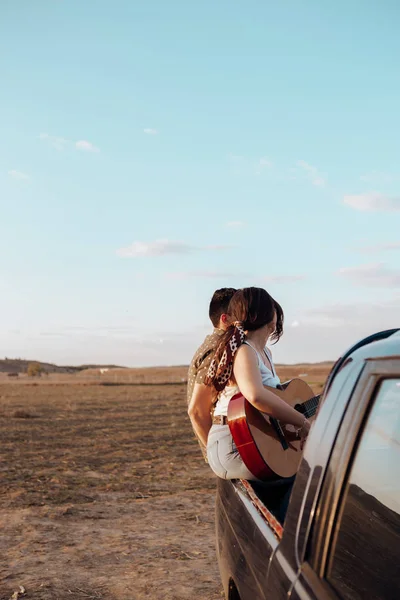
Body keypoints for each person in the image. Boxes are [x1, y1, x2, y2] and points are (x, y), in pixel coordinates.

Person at [205, 287, 311, 522]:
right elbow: (255, 395)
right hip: (233, 443)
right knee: (305, 477)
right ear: (269, 318)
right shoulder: (244, 351)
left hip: (255, 441)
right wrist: (302, 423)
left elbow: (272, 398)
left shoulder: (265, 354)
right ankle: (285, 545)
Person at [187, 288, 237, 459]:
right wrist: (216, 454)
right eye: (241, 312)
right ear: (226, 318)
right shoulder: (217, 349)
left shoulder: (220, 345)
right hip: (224, 449)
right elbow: (197, 411)